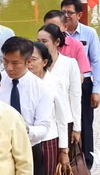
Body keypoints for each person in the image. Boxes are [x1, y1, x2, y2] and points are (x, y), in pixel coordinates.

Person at [0, 37, 54, 175]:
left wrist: (24, 131)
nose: (9, 67)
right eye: (5, 61)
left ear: (28, 62)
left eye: (15, 63)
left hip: (29, 148)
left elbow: (43, 126)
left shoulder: (42, 89)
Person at [60, 0, 100, 169]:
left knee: (85, 122)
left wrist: (96, 90)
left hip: (83, 83)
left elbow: (96, 61)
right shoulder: (57, 33)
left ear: (79, 14)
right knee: (64, 120)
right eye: (63, 12)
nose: (66, 15)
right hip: (62, 84)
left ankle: (87, 162)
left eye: (69, 12)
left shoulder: (89, 33)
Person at [37, 24, 82, 149]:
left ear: (57, 42)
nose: (40, 45)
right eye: (38, 41)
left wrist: (77, 127)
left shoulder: (70, 63)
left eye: (44, 41)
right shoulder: (33, 65)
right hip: (42, 123)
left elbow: (75, 96)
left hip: (65, 122)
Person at [27, 42, 69, 175]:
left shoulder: (55, 83)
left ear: (44, 62)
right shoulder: (21, 83)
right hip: (24, 140)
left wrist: (64, 150)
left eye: (33, 59)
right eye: (26, 59)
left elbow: (62, 118)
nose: (29, 64)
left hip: (47, 140)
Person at [42, 10, 90, 76]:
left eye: (55, 27)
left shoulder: (77, 45)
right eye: (48, 27)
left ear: (65, 27)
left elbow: (80, 73)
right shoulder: (40, 46)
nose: (51, 31)